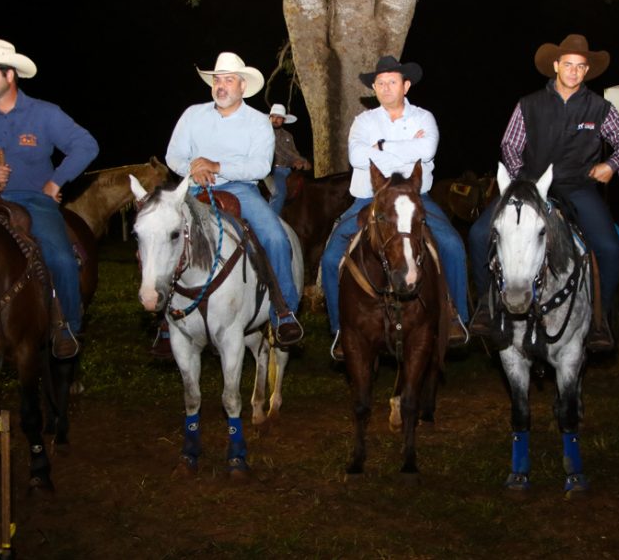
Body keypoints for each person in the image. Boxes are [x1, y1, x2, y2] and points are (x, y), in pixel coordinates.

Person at [467, 34, 619, 352]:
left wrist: (612, 165)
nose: (573, 71)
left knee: (610, 249)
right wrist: (521, 181)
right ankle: (484, 307)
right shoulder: (529, 104)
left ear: (587, 71)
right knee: (479, 234)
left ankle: (600, 320)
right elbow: (510, 145)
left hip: (577, 187)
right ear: (556, 66)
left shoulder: (600, 108)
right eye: (568, 64)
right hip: (531, 187)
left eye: (580, 66)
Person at [0, 38, 99, 356]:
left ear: (10, 75)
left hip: (33, 199)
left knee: (60, 256)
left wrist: (56, 182)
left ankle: (67, 327)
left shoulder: (45, 114)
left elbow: (86, 145)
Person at [321, 55, 469, 359]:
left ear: (406, 85)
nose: (386, 87)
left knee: (453, 245)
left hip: (415, 199)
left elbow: (426, 150)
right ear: (374, 88)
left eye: (392, 82)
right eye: (380, 83)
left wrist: (381, 147)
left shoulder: (424, 119)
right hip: (369, 199)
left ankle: (456, 317)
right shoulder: (363, 121)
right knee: (330, 256)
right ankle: (340, 329)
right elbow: (358, 159)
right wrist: (402, 151)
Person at [165, 51, 303, 345]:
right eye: (217, 79)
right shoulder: (193, 115)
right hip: (193, 188)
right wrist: (193, 167)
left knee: (276, 238)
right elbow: (173, 156)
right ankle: (166, 315)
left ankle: (284, 311)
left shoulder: (257, 122)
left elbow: (261, 166)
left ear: (243, 86)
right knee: (162, 234)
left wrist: (217, 166)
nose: (221, 85)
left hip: (241, 188)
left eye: (229, 80)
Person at [267, 103, 311, 214]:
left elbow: (293, 152)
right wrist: (303, 160)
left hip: (289, 171)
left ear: (284, 120)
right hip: (273, 170)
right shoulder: (266, 132)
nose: (276, 120)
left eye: (279, 117)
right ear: (270, 117)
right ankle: (271, 218)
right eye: (274, 116)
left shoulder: (288, 135)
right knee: (279, 193)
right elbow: (281, 150)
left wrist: (297, 162)